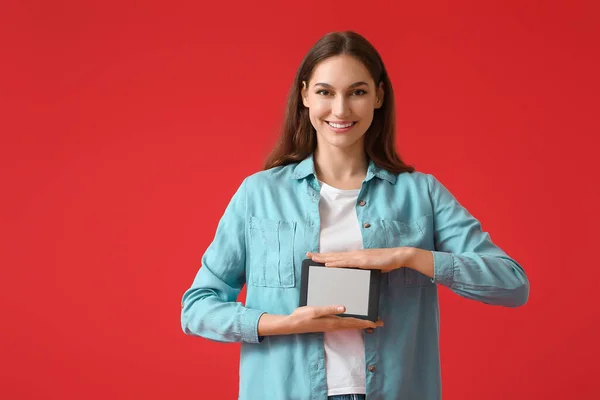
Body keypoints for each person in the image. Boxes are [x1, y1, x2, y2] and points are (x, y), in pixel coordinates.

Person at [180, 30, 529, 400]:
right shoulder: (259, 194)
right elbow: (197, 307)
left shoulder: (420, 193)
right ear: (304, 96)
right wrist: (281, 324)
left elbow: (512, 284)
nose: (341, 110)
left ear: (379, 96)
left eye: (357, 92)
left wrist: (407, 256)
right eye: (325, 92)